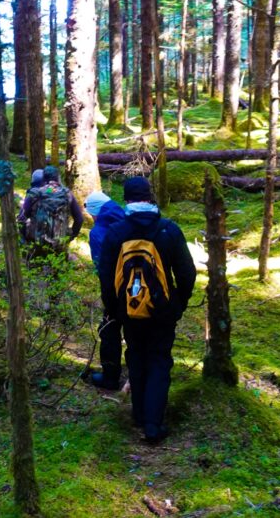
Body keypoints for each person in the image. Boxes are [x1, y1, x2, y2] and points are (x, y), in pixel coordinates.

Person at [96, 176, 196, 444]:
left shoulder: (117, 232)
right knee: (159, 361)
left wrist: (115, 310)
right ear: (150, 198)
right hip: (163, 313)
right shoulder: (168, 230)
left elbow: (106, 277)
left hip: (128, 312)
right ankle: (153, 424)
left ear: (126, 199)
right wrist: (178, 304)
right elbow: (187, 273)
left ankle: (139, 415)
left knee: (136, 358)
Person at [83, 191, 127, 390]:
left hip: (114, 289)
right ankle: (137, 375)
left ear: (95, 212)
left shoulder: (98, 232)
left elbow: (101, 266)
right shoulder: (127, 218)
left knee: (109, 330)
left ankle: (110, 377)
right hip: (140, 288)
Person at [17, 165, 83, 254]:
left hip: (37, 243)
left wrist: (25, 239)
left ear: (43, 179)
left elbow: (21, 218)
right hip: (60, 243)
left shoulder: (35, 193)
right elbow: (79, 219)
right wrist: (69, 237)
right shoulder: (67, 194)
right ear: (58, 178)